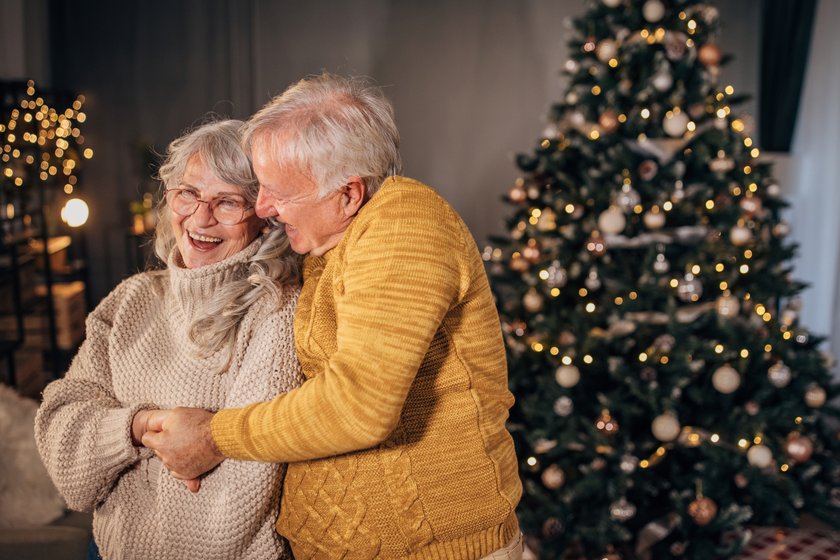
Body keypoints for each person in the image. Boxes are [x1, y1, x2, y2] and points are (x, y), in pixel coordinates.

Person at [143, 74, 524, 559]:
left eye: (279, 193)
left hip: (431, 549)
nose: (264, 208)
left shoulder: (406, 226)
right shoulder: (324, 241)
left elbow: (358, 405)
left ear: (348, 194)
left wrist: (213, 436)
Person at [34, 119, 303, 560]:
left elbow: (244, 495)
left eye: (228, 202)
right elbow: (64, 439)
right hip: (108, 549)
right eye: (188, 193)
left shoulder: (276, 311)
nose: (200, 217)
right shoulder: (132, 299)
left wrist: (120, 449)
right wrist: (138, 427)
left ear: (263, 215)